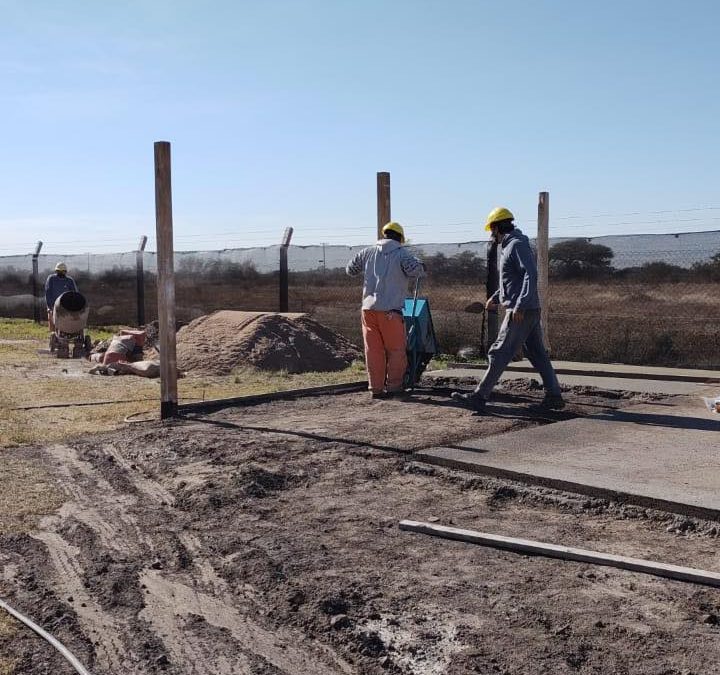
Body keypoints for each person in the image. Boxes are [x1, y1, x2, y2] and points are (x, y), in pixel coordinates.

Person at [451, 207, 564, 412]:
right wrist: (496, 297)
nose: (491, 234)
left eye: (491, 229)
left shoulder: (517, 245)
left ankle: (479, 396)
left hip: (520, 310)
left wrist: (519, 305)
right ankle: (554, 395)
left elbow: (530, 274)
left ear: (497, 227)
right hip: (525, 308)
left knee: (499, 352)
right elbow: (511, 279)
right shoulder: (510, 245)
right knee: (537, 354)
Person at [346, 221, 425, 399]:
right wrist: (421, 265)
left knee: (373, 351)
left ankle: (376, 388)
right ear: (400, 238)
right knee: (396, 350)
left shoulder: (367, 252)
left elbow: (350, 270)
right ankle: (394, 387)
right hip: (391, 311)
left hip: (368, 310)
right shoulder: (401, 253)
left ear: (384, 234)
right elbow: (416, 271)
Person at [45, 262, 78, 332]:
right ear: (56, 271)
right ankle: (53, 336)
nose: (60, 273)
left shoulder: (69, 281)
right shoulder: (51, 279)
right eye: (59, 271)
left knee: (66, 321)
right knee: (51, 319)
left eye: (62, 271)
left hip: (65, 305)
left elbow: (75, 293)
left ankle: (65, 334)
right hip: (53, 304)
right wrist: (50, 306)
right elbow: (48, 292)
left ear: (65, 272)